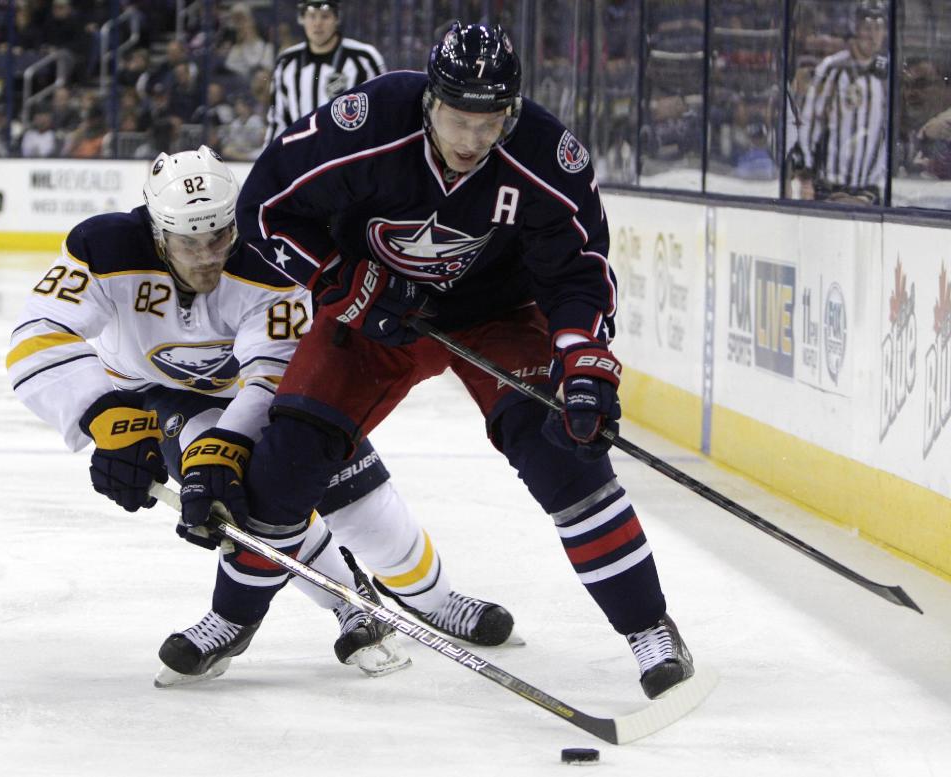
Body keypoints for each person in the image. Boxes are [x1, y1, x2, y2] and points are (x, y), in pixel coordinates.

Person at [229, 23, 696, 702]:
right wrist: (344, 284)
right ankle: (228, 617)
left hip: (496, 316)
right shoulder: (371, 121)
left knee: (565, 453)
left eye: (491, 121)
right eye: (458, 118)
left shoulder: (546, 154)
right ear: (429, 101)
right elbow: (266, 207)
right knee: (290, 455)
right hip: (376, 308)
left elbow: (578, 274)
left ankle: (650, 627)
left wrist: (586, 367)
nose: (473, 139)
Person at [7, 145, 515, 687]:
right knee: (232, 496)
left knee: (359, 502)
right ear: (158, 234)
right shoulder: (102, 246)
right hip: (151, 393)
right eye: (188, 242)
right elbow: (37, 336)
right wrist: (107, 421)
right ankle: (346, 605)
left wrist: (227, 447)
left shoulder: (269, 253)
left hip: (259, 392)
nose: (207, 256)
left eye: (217, 238)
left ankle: (434, 599)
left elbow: (273, 370)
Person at [791, 0, 890, 204]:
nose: (873, 36)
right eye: (867, 28)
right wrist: (806, 177)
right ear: (855, 29)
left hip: (870, 191)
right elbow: (810, 123)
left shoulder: (886, 73)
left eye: (878, 28)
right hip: (832, 189)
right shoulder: (833, 69)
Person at [264, 1, 385, 143]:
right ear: (301, 18)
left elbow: (381, 113)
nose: (317, 23)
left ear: (337, 18)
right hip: (301, 159)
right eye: (311, 16)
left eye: (325, 16)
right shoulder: (286, 62)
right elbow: (277, 120)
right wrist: (267, 162)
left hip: (349, 159)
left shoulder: (364, 59)